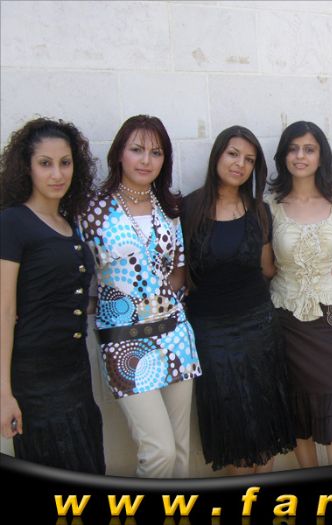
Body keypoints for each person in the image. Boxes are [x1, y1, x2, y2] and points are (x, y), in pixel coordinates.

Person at [78, 115, 202, 477]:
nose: (146, 160)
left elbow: (178, 269)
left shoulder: (169, 207)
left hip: (174, 335)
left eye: (156, 152)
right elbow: (78, 271)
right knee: (159, 451)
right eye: (137, 150)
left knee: (180, 452)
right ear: (119, 153)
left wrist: (161, 297)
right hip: (125, 342)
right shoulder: (92, 210)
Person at [181, 125, 296, 475]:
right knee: (232, 421)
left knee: (266, 415)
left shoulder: (259, 211)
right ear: (217, 155)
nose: (239, 164)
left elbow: (267, 268)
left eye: (249, 159)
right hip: (210, 331)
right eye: (233, 154)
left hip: (259, 325)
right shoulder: (188, 208)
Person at [0, 117, 105, 473]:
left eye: (65, 162)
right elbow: (4, 310)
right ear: (27, 167)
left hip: (75, 369)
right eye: (45, 163)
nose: (57, 174)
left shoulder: (68, 224)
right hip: (34, 376)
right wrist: (4, 394)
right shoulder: (12, 222)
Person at [266, 120, 332, 467]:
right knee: (297, 404)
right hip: (285, 316)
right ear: (283, 156)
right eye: (293, 149)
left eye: (309, 149)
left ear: (321, 156)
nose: (300, 156)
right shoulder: (270, 205)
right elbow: (266, 265)